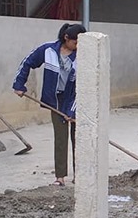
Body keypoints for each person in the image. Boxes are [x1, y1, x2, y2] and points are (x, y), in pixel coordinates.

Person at [13, 23, 86, 186]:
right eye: (76, 42)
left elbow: (84, 86)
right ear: (66, 38)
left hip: (76, 99)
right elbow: (27, 62)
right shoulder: (48, 51)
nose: (78, 46)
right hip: (57, 100)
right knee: (60, 138)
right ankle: (60, 177)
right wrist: (19, 84)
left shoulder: (83, 56)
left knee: (78, 138)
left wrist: (72, 111)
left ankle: (80, 175)